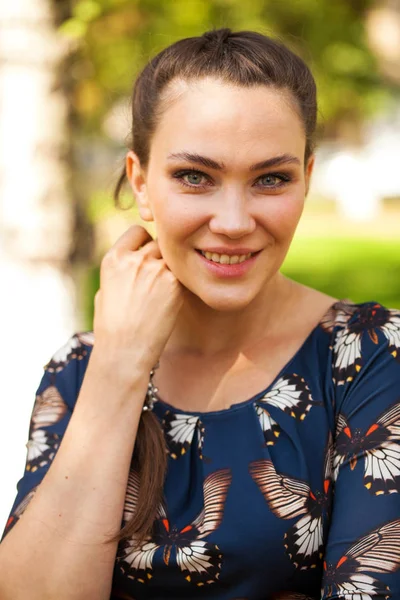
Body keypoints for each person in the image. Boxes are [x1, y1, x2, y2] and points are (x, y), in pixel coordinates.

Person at [0, 27, 399, 600]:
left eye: (271, 179)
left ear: (307, 179)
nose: (234, 221)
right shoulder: (80, 367)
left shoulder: (374, 357)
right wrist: (119, 368)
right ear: (141, 183)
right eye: (195, 177)